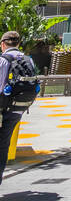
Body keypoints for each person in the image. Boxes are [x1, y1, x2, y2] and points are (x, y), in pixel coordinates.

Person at [0, 31, 38, 185]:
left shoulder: (3, 60)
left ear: (3, 44)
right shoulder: (28, 60)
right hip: (18, 109)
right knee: (3, 145)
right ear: (18, 44)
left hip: (2, 109)